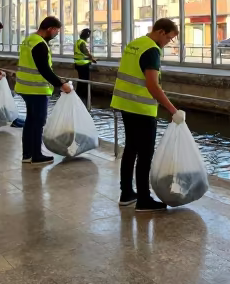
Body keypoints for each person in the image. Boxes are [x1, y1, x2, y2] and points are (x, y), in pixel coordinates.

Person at [112, 18, 181, 212]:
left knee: (130, 150)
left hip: (126, 104)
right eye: (169, 38)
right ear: (160, 32)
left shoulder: (135, 44)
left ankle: (126, 193)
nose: (169, 42)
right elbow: (152, 85)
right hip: (141, 109)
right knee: (145, 155)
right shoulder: (151, 50)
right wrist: (172, 109)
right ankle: (143, 199)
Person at [15, 16, 72, 166]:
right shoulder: (40, 44)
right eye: (56, 31)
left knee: (30, 121)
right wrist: (61, 84)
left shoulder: (29, 40)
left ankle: (27, 154)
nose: (56, 34)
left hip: (24, 87)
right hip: (35, 89)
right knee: (38, 121)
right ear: (50, 29)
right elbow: (44, 69)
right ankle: (36, 155)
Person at [73, 28, 97, 100]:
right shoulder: (82, 43)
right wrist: (92, 59)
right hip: (83, 64)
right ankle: (82, 95)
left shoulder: (77, 41)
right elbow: (85, 52)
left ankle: (79, 94)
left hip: (77, 63)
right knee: (84, 80)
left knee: (81, 79)